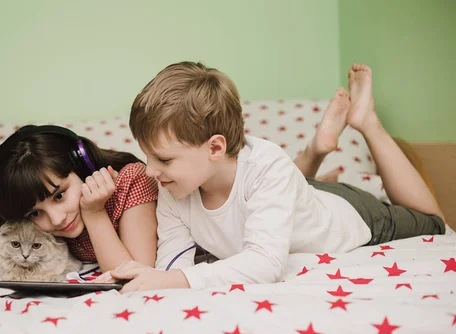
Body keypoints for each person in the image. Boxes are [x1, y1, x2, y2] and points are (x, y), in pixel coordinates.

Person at [100, 62, 445, 293]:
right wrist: (152, 281)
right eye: (146, 156)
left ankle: (366, 120)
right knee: (284, 185)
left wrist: (172, 280)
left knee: (435, 222)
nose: (149, 170)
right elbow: (172, 262)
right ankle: (317, 149)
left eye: (162, 158)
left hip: (351, 213)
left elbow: (266, 264)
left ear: (215, 148)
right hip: (287, 199)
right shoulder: (174, 186)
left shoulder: (267, 164)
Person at [0, 125, 159, 272]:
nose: (57, 219)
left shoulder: (132, 180)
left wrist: (94, 213)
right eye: (35, 213)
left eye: (59, 196)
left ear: (83, 167)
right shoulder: (42, 227)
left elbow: (136, 273)